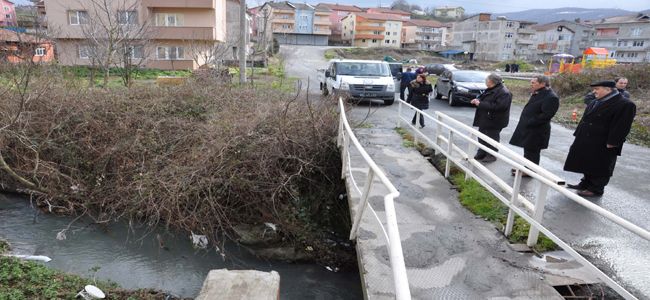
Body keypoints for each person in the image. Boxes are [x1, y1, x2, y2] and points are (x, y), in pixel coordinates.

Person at [564, 80, 636, 197]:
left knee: (601, 165)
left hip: (605, 141)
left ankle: (596, 188)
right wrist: (579, 133)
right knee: (588, 161)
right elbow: (586, 118)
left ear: (608, 89)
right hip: (588, 138)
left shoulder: (625, 104)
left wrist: (613, 142)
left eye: (597, 89)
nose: (594, 91)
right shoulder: (596, 101)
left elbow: (622, 126)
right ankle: (585, 183)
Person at [509, 75, 559, 175]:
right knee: (528, 149)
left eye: (533, 83)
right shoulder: (538, 93)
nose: (531, 84)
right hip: (530, 128)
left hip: (537, 129)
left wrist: (531, 121)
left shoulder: (551, 97)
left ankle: (530, 171)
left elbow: (547, 114)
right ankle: (526, 168)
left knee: (533, 151)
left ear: (543, 84)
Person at [470, 73, 512, 163]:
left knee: (492, 137)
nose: (485, 81)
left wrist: (480, 104)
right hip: (485, 117)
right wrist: (478, 100)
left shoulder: (504, 92)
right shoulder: (491, 89)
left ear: (491, 81)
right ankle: (482, 152)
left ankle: (492, 154)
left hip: (495, 120)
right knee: (481, 135)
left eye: (486, 79)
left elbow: (500, 107)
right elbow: (483, 97)